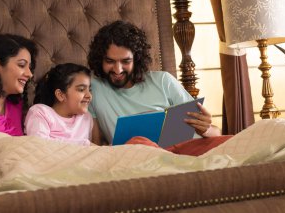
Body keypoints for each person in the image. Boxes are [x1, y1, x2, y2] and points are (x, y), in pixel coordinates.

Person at [87, 20, 222, 147]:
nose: (117, 69)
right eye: (110, 61)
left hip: (186, 150)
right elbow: (95, 146)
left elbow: (216, 133)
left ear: (137, 59)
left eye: (125, 61)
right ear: (100, 60)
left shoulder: (163, 81)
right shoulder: (92, 90)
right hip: (138, 159)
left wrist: (207, 129)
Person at [25, 63, 93, 146]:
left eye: (90, 90)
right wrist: (85, 144)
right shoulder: (40, 112)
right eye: (81, 89)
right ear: (61, 95)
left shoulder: (86, 118)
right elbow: (39, 145)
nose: (89, 95)